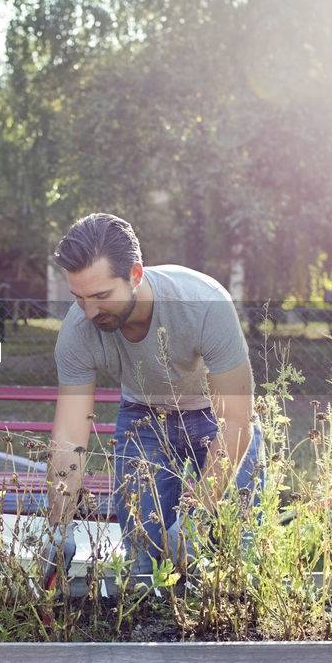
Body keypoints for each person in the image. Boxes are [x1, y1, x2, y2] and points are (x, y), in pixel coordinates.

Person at [46, 213, 261, 574]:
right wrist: (59, 524)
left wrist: (197, 513)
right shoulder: (77, 329)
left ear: (135, 275)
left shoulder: (204, 303)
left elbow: (237, 420)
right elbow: (69, 435)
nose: (89, 311)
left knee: (235, 550)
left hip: (216, 419)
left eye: (101, 296)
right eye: (79, 297)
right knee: (143, 558)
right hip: (143, 419)